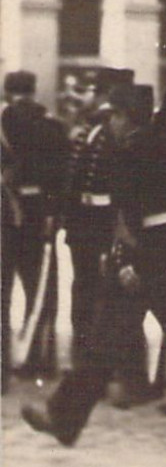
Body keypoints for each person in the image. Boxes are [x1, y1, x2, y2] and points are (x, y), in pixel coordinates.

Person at [22, 79, 166, 454]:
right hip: (157, 260)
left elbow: (146, 218)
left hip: (159, 262)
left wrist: (133, 265)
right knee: (105, 342)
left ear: (125, 117)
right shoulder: (152, 145)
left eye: (114, 116)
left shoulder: (141, 149)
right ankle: (64, 419)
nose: (110, 124)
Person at [60, 68, 155, 406]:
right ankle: (87, 367)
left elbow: (122, 191)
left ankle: (121, 374)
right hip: (85, 227)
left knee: (116, 302)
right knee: (85, 295)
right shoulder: (91, 132)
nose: (95, 100)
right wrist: (68, 220)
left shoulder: (123, 137)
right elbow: (75, 181)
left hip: (108, 226)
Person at [2, 70, 69, 388]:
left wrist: (53, 214)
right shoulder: (49, 127)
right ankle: (23, 360)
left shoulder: (46, 128)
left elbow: (62, 175)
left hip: (23, 217)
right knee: (27, 292)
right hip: (22, 216)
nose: (22, 100)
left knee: (32, 292)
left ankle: (23, 361)